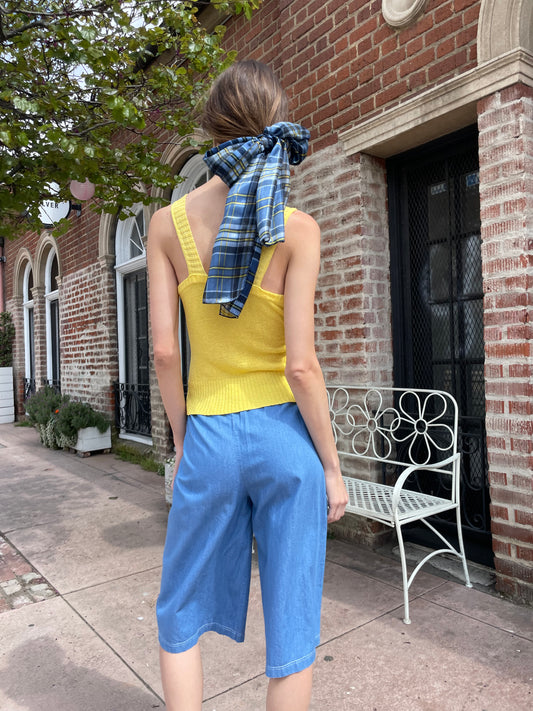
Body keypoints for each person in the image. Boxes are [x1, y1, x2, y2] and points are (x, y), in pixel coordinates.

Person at [147, 59, 348, 711]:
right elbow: (301, 366)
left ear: (210, 126)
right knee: (293, 622)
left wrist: (183, 441)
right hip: (285, 441)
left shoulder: (164, 224)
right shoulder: (297, 228)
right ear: (273, 124)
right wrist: (333, 467)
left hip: (209, 433)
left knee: (179, 610)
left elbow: (163, 350)